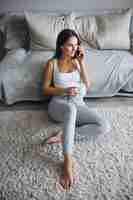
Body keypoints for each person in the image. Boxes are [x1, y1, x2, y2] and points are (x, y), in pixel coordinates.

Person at [43, 29, 111, 190]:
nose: (74, 49)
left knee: (104, 126)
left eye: (76, 45)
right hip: (59, 104)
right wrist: (64, 90)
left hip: (78, 103)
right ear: (61, 46)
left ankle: (63, 136)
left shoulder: (78, 62)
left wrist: (82, 62)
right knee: (71, 111)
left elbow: (87, 85)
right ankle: (67, 161)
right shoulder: (52, 63)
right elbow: (45, 89)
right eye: (70, 45)